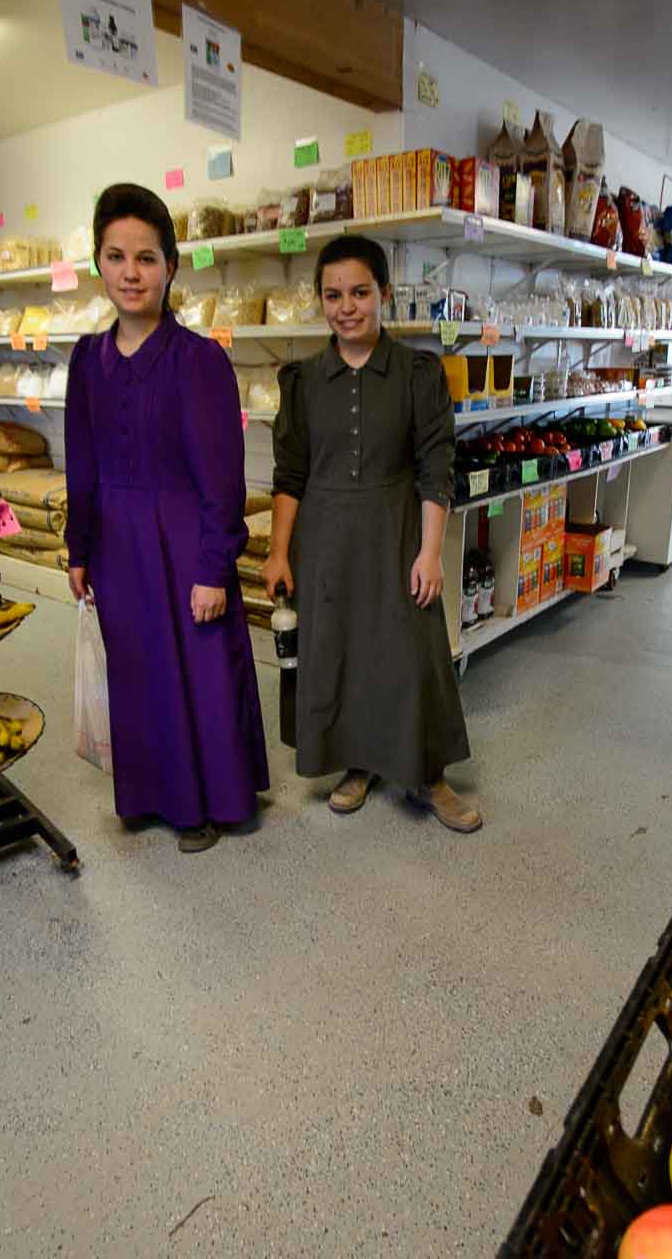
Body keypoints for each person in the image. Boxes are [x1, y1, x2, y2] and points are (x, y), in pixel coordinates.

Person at [64, 183, 268, 853]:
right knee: (138, 668)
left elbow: (221, 476)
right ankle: (150, 793)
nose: (130, 272)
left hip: (184, 542)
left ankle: (206, 804)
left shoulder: (198, 359)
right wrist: (78, 547)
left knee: (199, 668)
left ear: (170, 266)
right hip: (118, 546)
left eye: (146, 258)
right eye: (116, 256)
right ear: (99, 263)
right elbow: (82, 460)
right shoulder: (85, 361)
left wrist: (215, 567)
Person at [262, 235, 480, 833]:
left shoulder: (417, 372)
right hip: (326, 540)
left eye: (360, 292)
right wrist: (280, 551)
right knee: (339, 651)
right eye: (333, 295)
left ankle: (428, 775)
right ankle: (356, 765)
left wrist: (431, 552)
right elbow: (290, 475)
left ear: (384, 294)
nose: (346, 307)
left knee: (413, 652)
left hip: (398, 532)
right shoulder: (302, 381)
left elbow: (438, 467)